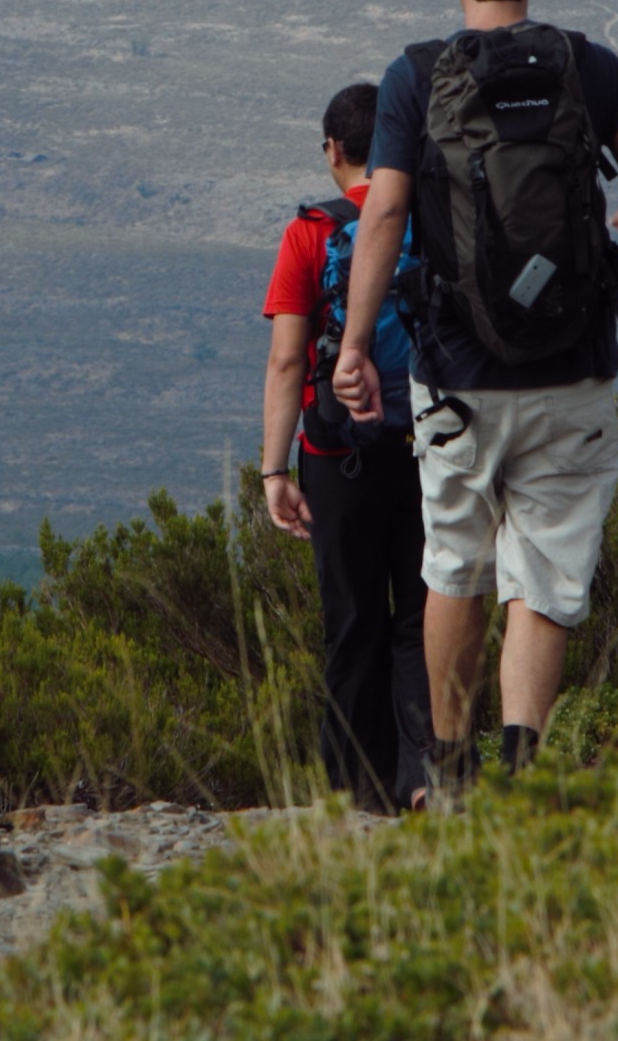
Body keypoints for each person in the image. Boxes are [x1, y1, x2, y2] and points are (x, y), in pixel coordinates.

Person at [331, 0, 618, 793]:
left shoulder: (416, 77)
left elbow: (381, 213)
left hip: (455, 373)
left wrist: (350, 347)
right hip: (572, 367)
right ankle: (520, 770)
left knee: (451, 565)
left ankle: (449, 772)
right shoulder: (587, 66)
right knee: (546, 575)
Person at [260, 82, 432, 814]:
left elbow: (287, 362)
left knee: (352, 622)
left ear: (332, 149)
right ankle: (427, 779)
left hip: (335, 458)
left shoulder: (309, 233)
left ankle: (352, 793)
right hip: (432, 445)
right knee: (424, 618)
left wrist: (273, 469)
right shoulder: (427, 221)